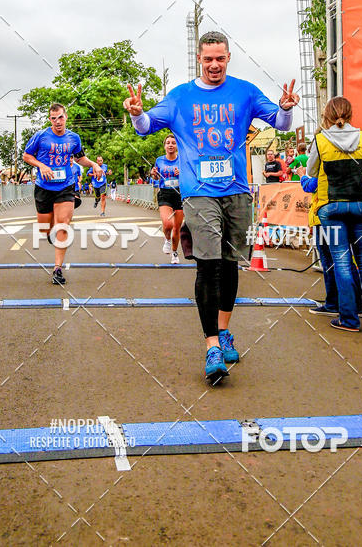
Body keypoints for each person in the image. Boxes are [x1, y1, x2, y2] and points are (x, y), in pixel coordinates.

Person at [124, 31, 299, 383]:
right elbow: (145, 127)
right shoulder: (180, 97)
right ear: (199, 60)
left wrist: (284, 109)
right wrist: (137, 114)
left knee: (230, 264)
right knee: (209, 265)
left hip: (236, 190)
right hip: (198, 192)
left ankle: (222, 331)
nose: (214, 65)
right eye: (208, 59)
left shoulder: (245, 91)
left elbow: (278, 123)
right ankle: (211, 348)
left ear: (228, 57)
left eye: (220, 58)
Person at [307, 96, 362, 332]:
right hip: (361, 205)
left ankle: (349, 319)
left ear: (328, 115)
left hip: (331, 207)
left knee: (341, 263)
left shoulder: (321, 140)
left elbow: (312, 170)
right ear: (350, 114)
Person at [23, 103, 101, 285]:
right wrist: (42, 165)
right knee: (45, 229)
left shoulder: (74, 138)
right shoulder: (41, 136)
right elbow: (27, 156)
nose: (57, 121)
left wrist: (94, 164)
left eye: (60, 117)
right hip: (43, 186)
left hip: (65, 187)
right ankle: (50, 233)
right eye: (53, 118)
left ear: (66, 117)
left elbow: (80, 157)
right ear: (50, 119)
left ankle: (57, 269)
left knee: (63, 225)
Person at [301, 172, 362, 318]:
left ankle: (334, 304)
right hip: (344, 215)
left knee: (330, 263)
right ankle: (356, 304)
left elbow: (311, 185)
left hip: (325, 218)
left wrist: (302, 176)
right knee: (346, 261)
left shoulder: (326, 161)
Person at [151, 134, 183, 264]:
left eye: (173, 143)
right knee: (168, 223)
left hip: (180, 194)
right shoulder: (159, 160)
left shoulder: (182, 159)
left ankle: (174, 253)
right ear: (164, 146)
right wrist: (153, 174)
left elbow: (190, 176)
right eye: (168, 143)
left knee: (177, 227)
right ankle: (167, 239)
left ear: (176, 146)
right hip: (165, 193)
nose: (170, 145)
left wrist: (182, 173)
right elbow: (155, 177)